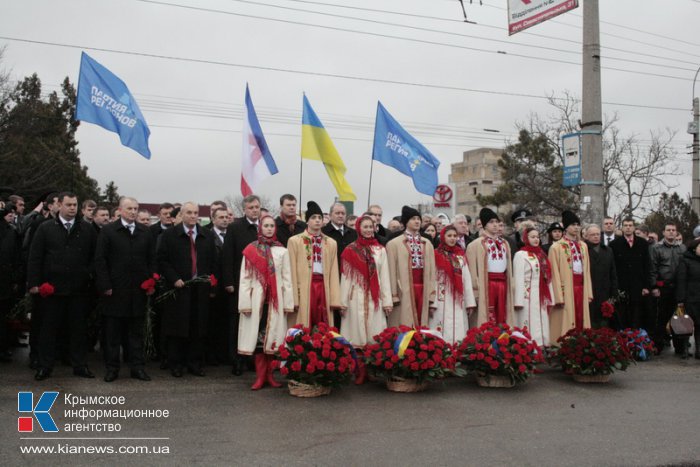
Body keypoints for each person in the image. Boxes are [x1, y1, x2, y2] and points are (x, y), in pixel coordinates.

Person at [27, 192, 97, 380]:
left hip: (78, 290)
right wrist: (34, 283)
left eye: (75, 204)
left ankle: (80, 365)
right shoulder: (46, 228)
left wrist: (87, 274)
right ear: (59, 205)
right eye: (69, 205)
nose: (72, 208)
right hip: (51, 290)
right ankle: (45, 366)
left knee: (78, 330)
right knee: (48, 330)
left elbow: (95, 257)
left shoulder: (87, 229)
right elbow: (35, 257)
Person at [94, 197, 155, 382]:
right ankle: (112, 368)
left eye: (136, 208)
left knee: (136, 333)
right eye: (129, 208)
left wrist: (151, 282)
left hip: (138, 290)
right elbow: (100, 260)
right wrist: (105, 285)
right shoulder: (109, 231)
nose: (133, 212)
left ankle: (137, 367)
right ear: (120, 210)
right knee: (113, 333)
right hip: (115, 291)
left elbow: (151, 259)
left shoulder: (145, 232)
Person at [157, 202, 217, 377]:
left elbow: (213, 260)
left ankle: (195, 363)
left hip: (200, 289)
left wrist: (211, 282)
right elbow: (162, 260)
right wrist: (174, 278)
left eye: (196, 212)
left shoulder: (206, 235)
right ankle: (176, 363)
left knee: (198, 328)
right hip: (179, 289)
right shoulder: (170, 235)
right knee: (178, 328)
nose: (193, 215)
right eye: (189, 212)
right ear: (181, 215)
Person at [238, 215, 293, 389]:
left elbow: (287, 278)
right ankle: (260, 377)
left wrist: (288, 303)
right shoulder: (250, 249)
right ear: (260, 228)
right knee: (258, 340)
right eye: (266, 225)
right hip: (257, 301)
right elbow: (245, 278)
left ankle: (270, 376)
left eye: (271, 226)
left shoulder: (282, 251)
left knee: (273, 339)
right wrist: (245, 303)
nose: (269, 228)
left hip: (275, 301)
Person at [339, 215, 392, 384]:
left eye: (371, 227)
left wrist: (387, 301)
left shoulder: (380, 250)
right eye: (365, 227)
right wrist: (343, 301)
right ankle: (359, 372)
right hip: (356, 296)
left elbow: (385, 277)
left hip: (375, 298)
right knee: (357, 333)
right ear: (358, 228)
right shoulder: (350, 249)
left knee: (374, 333)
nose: (369, 230)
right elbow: (345, 278)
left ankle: (372, 370)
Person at [223, 194, 263, 375]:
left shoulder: (266, 226)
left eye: (257, 207)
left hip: (262, 284)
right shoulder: (235, 227)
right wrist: (229, 281)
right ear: (244, 209)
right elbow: (228, 256)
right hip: (240, 284)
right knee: (237, 322)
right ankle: (237, 360)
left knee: (258, 322)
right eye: (251, 208)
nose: (255, 210)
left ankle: (254, 359)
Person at [288, 201, 341, 327]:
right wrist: (293, 298)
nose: (317, 220)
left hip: (323, 285)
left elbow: (334, 271)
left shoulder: (331, 242)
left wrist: (335, 298)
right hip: (305, 285)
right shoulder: (295, 241)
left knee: (323, 319)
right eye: (313, 217)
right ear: (307, 221)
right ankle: (303, 343)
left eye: (320, 218)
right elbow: (291, 271)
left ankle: (323, 344)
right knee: (305, 319)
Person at [387, 206, 437, 327]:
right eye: (413, 219)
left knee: (422, 320)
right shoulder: (394, 244)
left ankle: (421, 342)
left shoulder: (427, 243)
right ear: (405, 222)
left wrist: (431, 293)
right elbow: (391, 271)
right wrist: (393, 295)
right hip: (403, 286)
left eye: (418, 219)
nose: (417, 221)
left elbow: (432, 271)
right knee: (404, 320)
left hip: (423, 285)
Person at [548, 211, 593, 342]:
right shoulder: (556, 247)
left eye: (578, 224)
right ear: (566, 227)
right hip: (566, 287)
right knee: (567, 317)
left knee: (581, 315)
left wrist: (589, 292)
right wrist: (558, 295)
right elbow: (553, 273)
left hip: (581, 286)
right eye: (573, 224)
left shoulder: (583, 246)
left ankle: (582, 343)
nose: (576, 227)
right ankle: (565, 345)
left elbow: (587, 271)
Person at [466, 208, 515, 327]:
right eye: (491, 222)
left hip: (503, 283)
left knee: (502, 314)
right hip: (486, 284)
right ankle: (486, 340)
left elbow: (509, 268)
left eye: (496, 222)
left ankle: (503, 339)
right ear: (484, 225)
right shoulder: (475, 245)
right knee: (488, 315)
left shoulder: (505, 243)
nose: (495, 225)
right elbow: (472, 272)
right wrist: (475, 293)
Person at [430, 225, 476, 345]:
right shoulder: (435, 254)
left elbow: (466, 279)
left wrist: (470, 302)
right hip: (441, 298)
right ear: (443, 237)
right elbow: (432, 279)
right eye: (449, 236)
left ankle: (458, 353)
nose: (452, 238)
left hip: (458, 299)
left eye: (455, 236)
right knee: (441, 327)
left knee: (458, 327)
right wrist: (432, 302)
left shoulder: (460, 256)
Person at [513, 226, 553, 347]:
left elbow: (548, 277)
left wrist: (551, 297)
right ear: (526, 238)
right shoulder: (521, 255)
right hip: (527, 294)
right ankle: (529, 346)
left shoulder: (542, 255)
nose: (536, 239)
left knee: (542, 320)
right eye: (532, 237)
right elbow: (518, 277)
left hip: (541, 294)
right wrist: (518, 300)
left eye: (537, 237)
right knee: (529, 320)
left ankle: (543, 344)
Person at [649, 222, 686, 354]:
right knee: (661, 318)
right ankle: (658, 346)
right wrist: (654, 286)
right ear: (663, 233)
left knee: (678, 318)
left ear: (676, 233)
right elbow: (652, 269)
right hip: (663, 288)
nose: (671, 232)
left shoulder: (682, 248)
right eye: (668, 230)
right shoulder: (656, 248)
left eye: (673, 230)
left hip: (678, 288)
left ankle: (680, 347)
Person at [610, 217, 651, 329]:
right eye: (626, 225)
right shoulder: (614, 244)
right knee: (623, 315)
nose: (628, 228)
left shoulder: (642, 243)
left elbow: (647, 265)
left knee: (637, 315)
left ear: (634, 227)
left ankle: (637, 340)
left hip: (638, 285)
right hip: (621, 286)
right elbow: (612, 268)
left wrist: (646, 286)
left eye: (630, 225)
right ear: (622, 227)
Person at [206, 208, 231, 365]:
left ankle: (225, 354)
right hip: (213, 286)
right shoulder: (208, 236)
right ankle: (212, 355)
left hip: (229, 286)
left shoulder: (232, 235)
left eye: (226, 217)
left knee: (227, 322)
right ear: (213, 219)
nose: (224, 220)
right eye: (220, 217)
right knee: (213, 322)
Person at [584, 224, 618, 329]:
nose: (595, 237)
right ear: (587, 236)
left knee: (605, 322)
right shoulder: (583, 250)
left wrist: (614, 292)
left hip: (605, 292)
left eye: (598, 234)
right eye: (592, 234)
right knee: (591, 321)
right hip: (590, 292)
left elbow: (613, 272)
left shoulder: (608, 250)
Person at [0, 203, 20, 362]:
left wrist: (14, 279)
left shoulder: (11, 232)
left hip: (4, 281)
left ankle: (3, 348)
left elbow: (16, 257)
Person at [675, 238, 700, 359]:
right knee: (686, 325)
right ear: (695, 248)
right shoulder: (685, 260)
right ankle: (684, 349)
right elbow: (681, 280)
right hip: (690, 298)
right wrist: (680, 299)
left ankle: (699, 350)